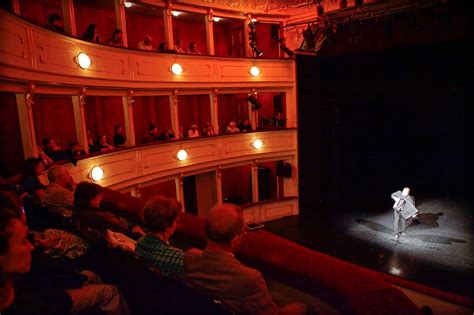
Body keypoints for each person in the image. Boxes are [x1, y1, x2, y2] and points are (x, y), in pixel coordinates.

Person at [0, 193, 130, 315]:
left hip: (56, 289)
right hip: (58, 295)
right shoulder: (24, 304)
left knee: (92, 277)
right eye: (23, 241)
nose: (30, 246)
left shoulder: (14, 288)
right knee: (110, 291)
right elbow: (51, 281)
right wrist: (77, 279)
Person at [184, 203, 310, 315]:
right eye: (242, 231)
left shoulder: (190, 257)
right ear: (234, 239)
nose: (244, 233)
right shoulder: (250, 278)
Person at [73, 182, 144, 238]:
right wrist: (134, 230)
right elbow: (122, 231)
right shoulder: (98, 217)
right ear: (91, 199)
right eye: (98, 197)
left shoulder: (77, 212)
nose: (101, 199)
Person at [135, 196, 184, 276]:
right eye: (176, 220)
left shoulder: (140, 243)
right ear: (167, 226)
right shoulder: (178, 258)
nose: (176, 223)